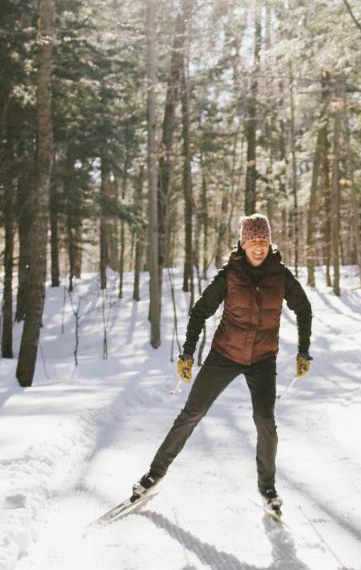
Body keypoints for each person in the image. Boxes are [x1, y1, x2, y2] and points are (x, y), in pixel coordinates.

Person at [130, 213, 314, 515]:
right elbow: (199, 312)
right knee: (192, 413)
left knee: (265, 420)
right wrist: (188, 354)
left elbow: (304, 309)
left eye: (263, 241)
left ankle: (267, 487)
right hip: (224, 355)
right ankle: (154, 473)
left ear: (270, 243)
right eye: (253, 242)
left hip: (262, 359)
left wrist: (303, 351)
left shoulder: (280, 276)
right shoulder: (229, 275)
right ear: (242, 244)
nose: (259, 247)